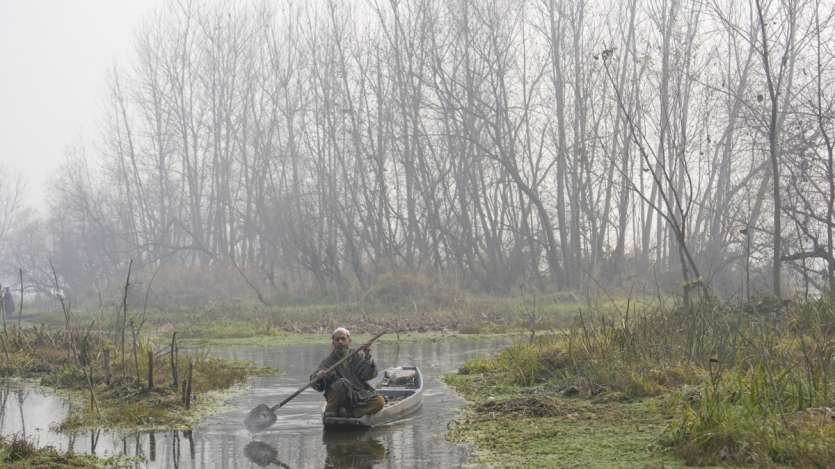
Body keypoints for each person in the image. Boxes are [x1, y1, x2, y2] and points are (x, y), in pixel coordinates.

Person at [311, 327, 385, 418]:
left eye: (343, 339)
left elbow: (368, 375)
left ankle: (350, 413)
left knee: (379, 401)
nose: (340, 342)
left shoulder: (357, 356)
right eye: (337, 339)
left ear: (349, 341)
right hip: (339, 400)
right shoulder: (328, 361)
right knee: (342, 383)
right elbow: (317, 383)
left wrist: (367, 356)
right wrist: (319, 376)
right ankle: (332, 411)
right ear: (333, 343)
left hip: (357, 396)